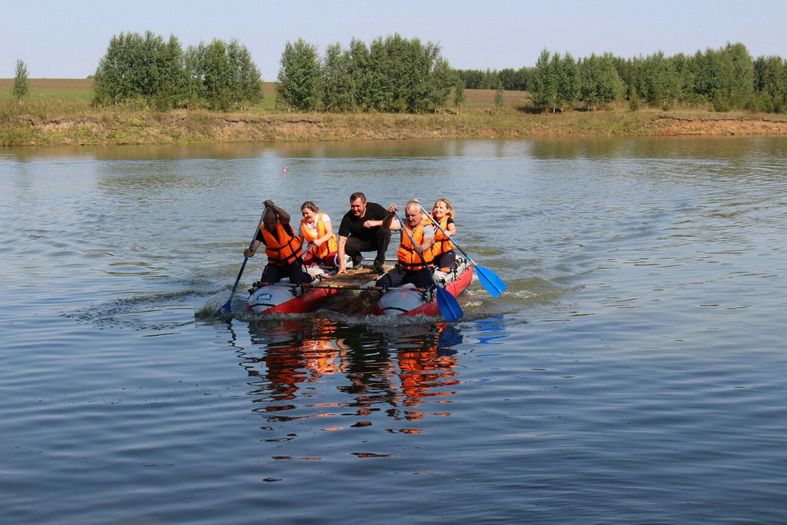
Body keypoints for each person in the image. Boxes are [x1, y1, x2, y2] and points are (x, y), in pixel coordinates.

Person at [244, 200, 313, 285]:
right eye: (266, 223)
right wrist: (248, 253)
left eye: (272, 223)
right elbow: (252, 251)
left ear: (277, 220)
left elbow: (287, 217)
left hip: (293, 262)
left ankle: (309, 277)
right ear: (263, 221)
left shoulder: (283, 223)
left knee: (296, 280)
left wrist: (273, 206)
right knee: (265, 281)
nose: (269, 226)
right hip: (276, 265)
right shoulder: (261, 231)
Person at [375, 200, 435, 290]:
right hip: (403, 269)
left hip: (422, 270)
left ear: (420, 213)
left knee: (429, 288)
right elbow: (385, 226)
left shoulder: (427, 227)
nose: (410, 218)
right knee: (381, 284)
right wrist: (390, 215)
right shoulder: (403, 224)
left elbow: (429, 241)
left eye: (413, 215)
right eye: (407, 215)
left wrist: (422, 247)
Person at [337, 192, 391, 275]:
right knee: (346, 243)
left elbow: (393, 222)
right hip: (361, 242)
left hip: (377, 241)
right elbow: (341, 242)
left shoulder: (375, 208)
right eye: (353, 206)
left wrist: (375, 223)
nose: (355, 209)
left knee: (385, 231)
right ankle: (357, 260)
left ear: (365, 204)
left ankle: (378, 264)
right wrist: (342, 266)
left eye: (358, 206)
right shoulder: (347, 218)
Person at [299, 201, 338, 268]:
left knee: (330, 262)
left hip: (328, 250)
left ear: (314, 211)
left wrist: (320, 241)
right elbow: (300, 240)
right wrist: (296, 253)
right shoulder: (302, 224)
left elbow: (329, 233)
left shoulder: (323, 217)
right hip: (313, 251)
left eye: (307, 213)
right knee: (305, 263)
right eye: (303, 214)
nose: (305, 216)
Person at [427, 198, 457, 271]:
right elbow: (418, 214)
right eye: (436, 207)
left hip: (445, 253)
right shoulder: (428, 217)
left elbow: (453, 230)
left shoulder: (448, 220)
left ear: (447, 210)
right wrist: (416, 204)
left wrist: (449, 232)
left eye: (441, 208)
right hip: (431, 252)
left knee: (444, 269)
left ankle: (456, 263)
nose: (438, 210)